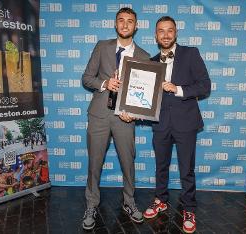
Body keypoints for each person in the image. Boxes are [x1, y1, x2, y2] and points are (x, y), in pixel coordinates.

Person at [81, 7, 149, 230]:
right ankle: (91, 204)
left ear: (136, 26)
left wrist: (136, 113)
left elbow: (146, 97)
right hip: (99, 114)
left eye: (130, 21)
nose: (125, 24)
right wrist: (104, 84)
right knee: (94, 164)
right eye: (121, 20)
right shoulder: (102, 47)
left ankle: (129, 202)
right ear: (115, 24)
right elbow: (87, 78)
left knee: (128, 163)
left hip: (125, 118)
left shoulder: (144, 56)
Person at [142, 16, 211, 233]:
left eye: (169, 30)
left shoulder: (191, 53)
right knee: (160, 166)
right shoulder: (150, 63)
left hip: (186, 123)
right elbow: (145, 98)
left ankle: (189, 208)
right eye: (161, 31)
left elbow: (204, 86)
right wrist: (131, 111)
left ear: (176, 33)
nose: (165, 35)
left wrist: (177, 89)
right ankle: (160, 200)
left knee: (186, 169)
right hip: (160, 123)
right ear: (155, 35)